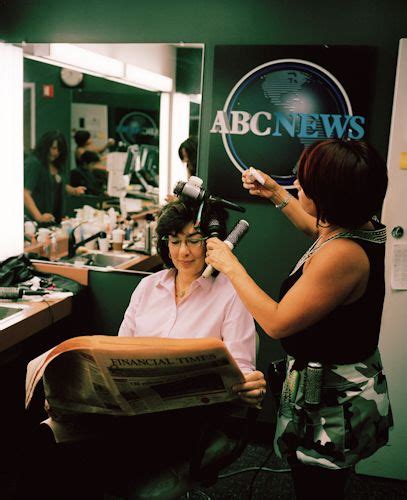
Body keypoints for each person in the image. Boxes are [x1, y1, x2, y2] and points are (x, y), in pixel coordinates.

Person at [205, 139, 393, 500]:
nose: (297, 186)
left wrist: (231, 267)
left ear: (330, 195)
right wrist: (276, 195)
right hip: (334, 385)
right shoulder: (357, 226)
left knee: (317, 487)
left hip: (333, 401)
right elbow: (316, 229)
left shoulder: (344, 256)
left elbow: (276, 322)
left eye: (303, 182)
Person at [24, 131, 86, 224]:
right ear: (45, 146)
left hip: (54, 219)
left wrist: (74, 190)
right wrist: (39, 216)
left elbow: (55, 184)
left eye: (59, 149)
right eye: (53, 148)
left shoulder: (56, 164)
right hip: (33, 222)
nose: (56, 152)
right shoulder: (34, 163)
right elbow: (25, 193)